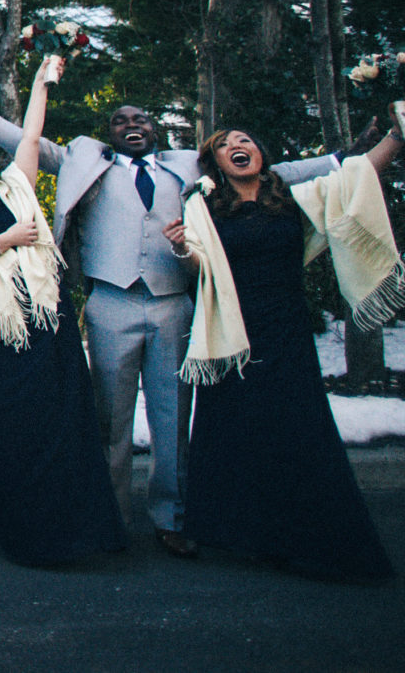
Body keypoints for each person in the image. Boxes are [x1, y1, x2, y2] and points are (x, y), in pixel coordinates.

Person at [0, 60, 342, 556]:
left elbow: (275, 172)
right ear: (109, 133)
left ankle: (171, 517)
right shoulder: (87, 161)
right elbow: (26, 139)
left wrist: (343, 160)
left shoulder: (190, 166)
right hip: (111, 303)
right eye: (121, 121)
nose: (132, 126)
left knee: (173, 416)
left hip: (174, 304)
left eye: (141, 120)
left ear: (156, 128)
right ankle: (111, 517)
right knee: (110, 418)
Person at [173, 113, 403, 582]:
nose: (238, 145)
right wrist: (181, 249)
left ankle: (317, 539)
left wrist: (398, 138)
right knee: (237, 432)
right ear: (216, 162)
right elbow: (201, 268)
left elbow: (356, 178)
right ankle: (249, 535)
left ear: (259, 154)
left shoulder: (292, 199)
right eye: (226, 144)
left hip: (286, 328)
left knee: (299, 430)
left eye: (246, 139)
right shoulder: (206, 208)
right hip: (233, 331)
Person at [0, 57, 126, 567]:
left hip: (49, 324)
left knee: (64, 423)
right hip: (2, 333)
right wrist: (4, 241)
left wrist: (41, 85)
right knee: (12, 428)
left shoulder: (15, 189)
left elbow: (31, 139)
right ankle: (28, 529)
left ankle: (80, 533)